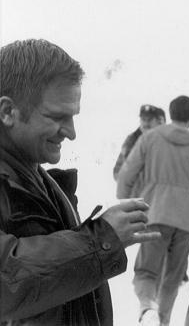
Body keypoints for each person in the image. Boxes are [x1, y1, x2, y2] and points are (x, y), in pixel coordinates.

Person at [0, 39, 159, 325]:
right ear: (7, 112)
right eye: (57, 117)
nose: (72, 133)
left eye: (73, 116)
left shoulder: (34, 171)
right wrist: (102, 240)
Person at [117, 95, 189, 326]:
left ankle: (146, 308)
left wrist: (125, 200)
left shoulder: (150, 138)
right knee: (173, 276)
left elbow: (127, 173)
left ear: (170, 113)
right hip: (188, 220)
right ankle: (163, 320)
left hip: (157, 213)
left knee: (146, 272)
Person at [113, 104, 165, 180]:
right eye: (143, 119)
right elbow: (118, 172)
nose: (146, 124)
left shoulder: (166, 140)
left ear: (157, 122)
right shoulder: (132, 140)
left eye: (150, 120)